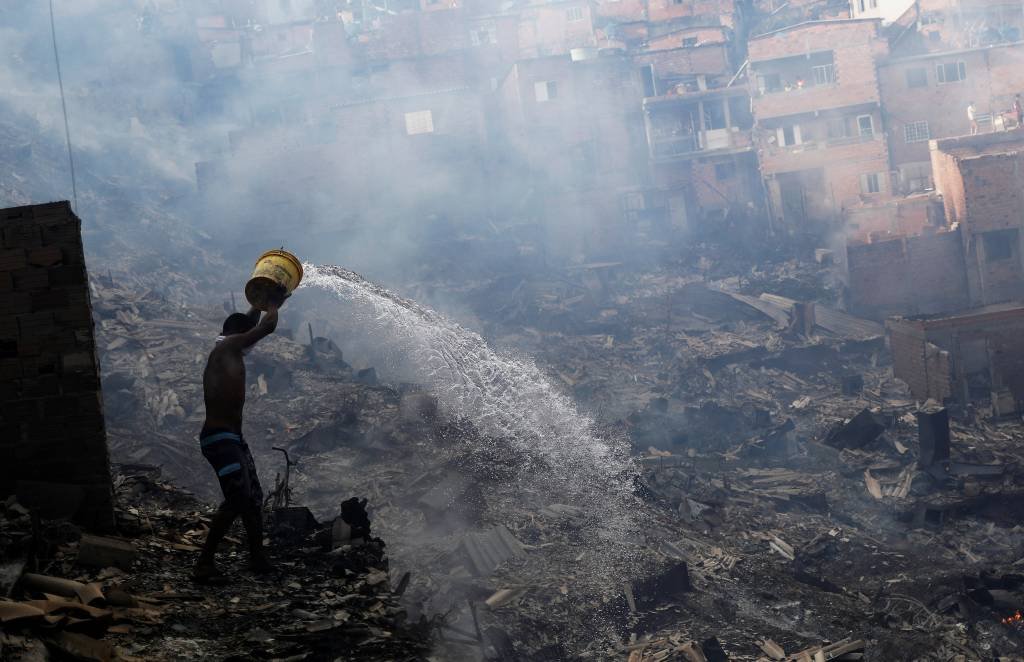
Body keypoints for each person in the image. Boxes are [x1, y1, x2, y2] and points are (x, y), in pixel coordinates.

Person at [193, 295, 285, 582]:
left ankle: (257, 557)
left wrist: (257, 304)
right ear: (236, 335)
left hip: (232, 438)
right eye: (245, 334)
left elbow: (251, 326)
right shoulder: (229, 347)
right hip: (220, 439)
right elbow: (265, 327)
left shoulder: (229, 348)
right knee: (238, 498)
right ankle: (204, 564)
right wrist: (274, 303)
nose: (250, 342)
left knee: (253, 499)